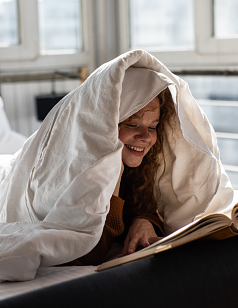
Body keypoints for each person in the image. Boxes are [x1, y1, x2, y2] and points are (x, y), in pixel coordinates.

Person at [72, 87, 176, 265]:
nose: (145, 137)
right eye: (132, 124)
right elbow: (90, 254)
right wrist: (114, 175)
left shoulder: (139, 167)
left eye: (152, 127)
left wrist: (142, 221)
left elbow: (138, 207)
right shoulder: (77, 168)